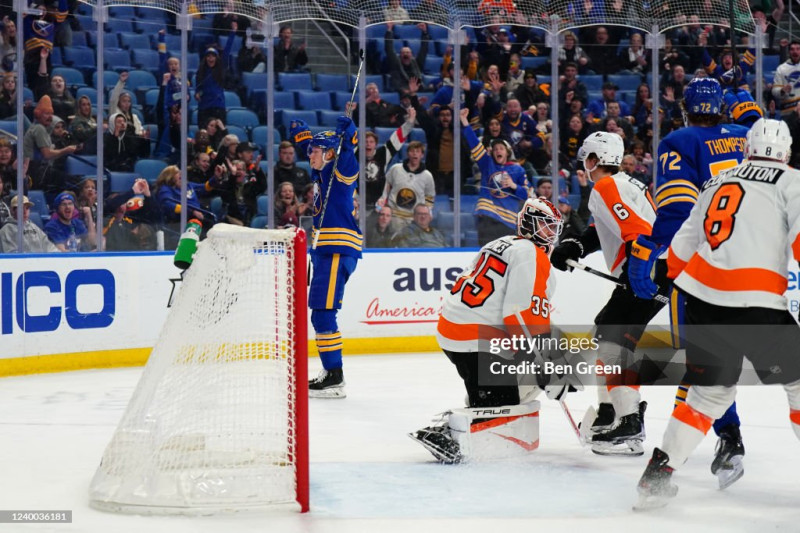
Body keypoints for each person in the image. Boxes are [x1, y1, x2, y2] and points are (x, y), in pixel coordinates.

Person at [635, 118, 800, 509]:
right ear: (786, 152)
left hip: (703, 304)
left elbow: (679, 250)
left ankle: (656, 478)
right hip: (758, 306)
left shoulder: (715, 182)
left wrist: (678, 282)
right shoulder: (792, 182)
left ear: (747, 148)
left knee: (706, 396)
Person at [627, 77, 752, 486]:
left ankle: (727, 439)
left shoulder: (679, 141)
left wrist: (646, 251)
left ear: (684, 107)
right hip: (753, 267)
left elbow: (679, 209)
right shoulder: (745, 133)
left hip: (702, 269)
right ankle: (727, 437)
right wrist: (746, 108)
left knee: (702, 360)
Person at [409, 197, 563, 463]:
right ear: (529, 224)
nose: (552, 234)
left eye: (554, 228)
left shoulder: (500, 243)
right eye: (547, 226)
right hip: (478, 340)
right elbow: (519, 314)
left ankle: (480, 396)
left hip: (453, 331)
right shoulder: (532, 255)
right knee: (505, 415)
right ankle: (456, 429)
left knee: (539, 358)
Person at [549, 131, 663, 456]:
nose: (583, 166)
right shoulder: (626, 183)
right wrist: (578, 244)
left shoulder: (604, 186)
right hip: (657, 266)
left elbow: (639, 233)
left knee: (612, 339)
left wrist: (636, 271)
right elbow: (607, 228)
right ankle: (613, 412)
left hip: (647, 269)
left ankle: (628, 418)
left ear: (594, 160)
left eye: (586, 159)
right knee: (608, 333)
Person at [288, 117, 361, 399]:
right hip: (324, 252)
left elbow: (347, 160)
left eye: (314, 152)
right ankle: (332, 372)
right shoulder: (321, 173)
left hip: (335, 250)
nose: (309, 156)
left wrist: (350, 138)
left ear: (330, 153)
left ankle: (334, 375)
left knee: (323, 312)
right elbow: (315, 147)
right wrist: (301, 135)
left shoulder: (338, 174)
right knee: (320, 312)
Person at [460, 108, 529, 245]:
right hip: (488, 217)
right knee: (486, 256)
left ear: (507, 152)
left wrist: (513, 185)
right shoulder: (487, 164)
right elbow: (474, 144)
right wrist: (464, 121)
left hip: (509, 222)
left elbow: (526, 195)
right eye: (496, 149)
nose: (498, 151)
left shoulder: (517, 169)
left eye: (501, 148)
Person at [23, 95, 78, 191]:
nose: (49, 117)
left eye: (50, 114)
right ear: (39, 114)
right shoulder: (39, 129)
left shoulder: (39, 127)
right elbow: (47, 155)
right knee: (73, 182)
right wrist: (66, 150)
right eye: (46, 114)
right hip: (36, 171)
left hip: (39, 169)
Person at [376, 140, 435, 229]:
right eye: (412, 151)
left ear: (422, 155)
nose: (415, 154)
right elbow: (386, 186)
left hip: (415, 219)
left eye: (418, 151)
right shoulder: (395, 169)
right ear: (407, 154)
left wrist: (428, 211)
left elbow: (429, 197)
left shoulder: (427, 176)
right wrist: (382, 199)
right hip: (395, 216)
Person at [771, 40, 800, 117]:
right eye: (792, 49)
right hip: (788, 111)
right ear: (789, 52)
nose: (795, 52)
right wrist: (782, 90)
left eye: (798, 49)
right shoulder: (781, 68)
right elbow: (774, 91)